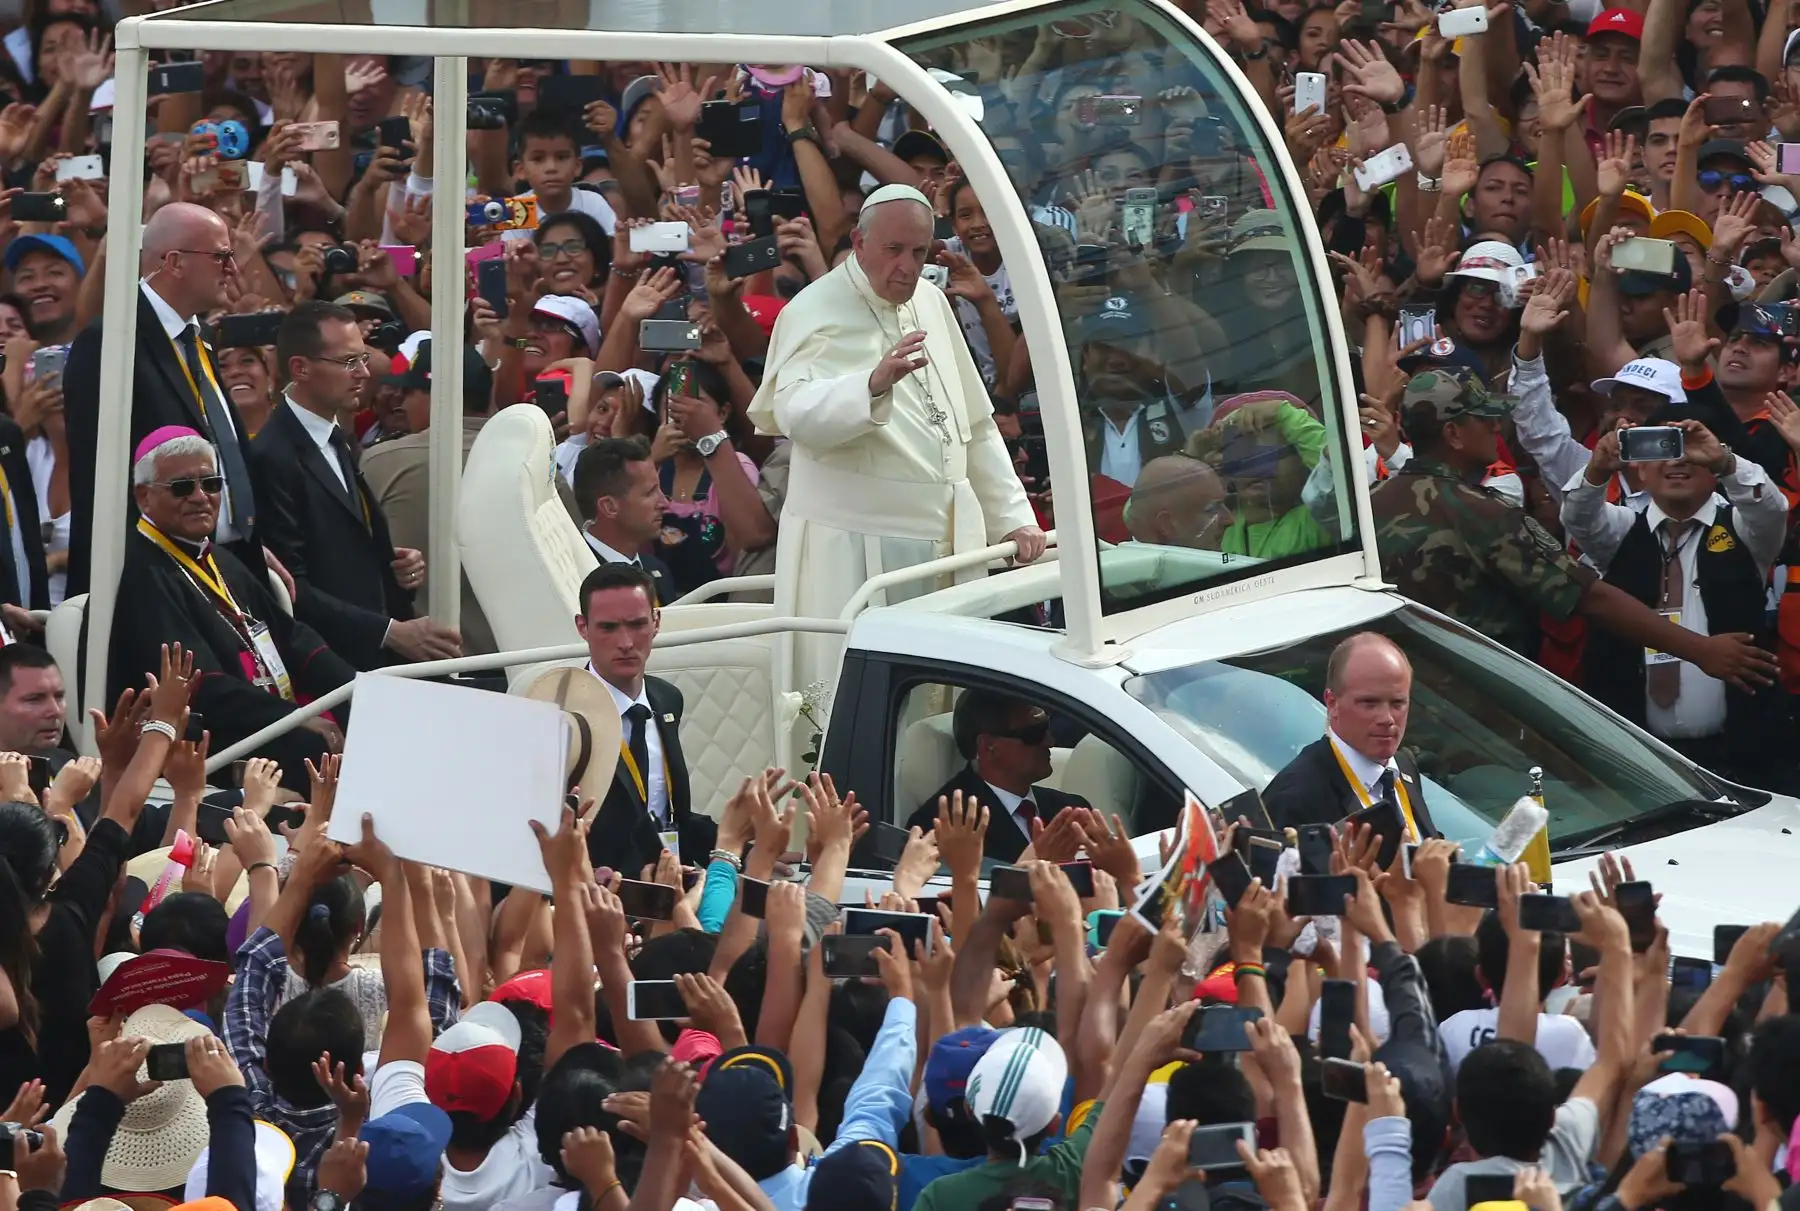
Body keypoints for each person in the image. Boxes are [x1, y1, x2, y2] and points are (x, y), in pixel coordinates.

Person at [748, 184, 1042, 687]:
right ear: (860, 244)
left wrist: (1013, 517)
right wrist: (871, 384)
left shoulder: (931, 300)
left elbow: (971, 423)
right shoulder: (811, 310)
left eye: (918, 252)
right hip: (856, 550)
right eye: (893, 250)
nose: (907, 266)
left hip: (950, 543)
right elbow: (794, 413)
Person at [1372, 367, 1781, 691]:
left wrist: (1725, 461)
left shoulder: (1372, 503)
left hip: (1398, 695)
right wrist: (1700, 650)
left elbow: (1770, 510)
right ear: (1453, 434)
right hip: (1473, 707)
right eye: (1486, 420)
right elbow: (1589, 595)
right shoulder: (1481, 513)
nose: (1498, 429)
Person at [108, 427, 351, 783]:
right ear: (144, 497)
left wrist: (357, 688)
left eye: (211, 483)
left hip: (264, 715)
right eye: (181, 487)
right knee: (318, 754)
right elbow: (201, 687)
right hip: (206, 738)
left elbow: (292, 638)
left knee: (368, 721)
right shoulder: (142, 573)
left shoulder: (220, 559)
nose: (200, 497)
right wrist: (293, 718)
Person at [1561, 417, 1791, 788]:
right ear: (1639, 466)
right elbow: (1578, 518)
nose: (1677, 462)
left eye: (1690, 451)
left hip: (1740, 757)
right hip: (1639, 757)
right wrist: (1597, 468)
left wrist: (1726, 461)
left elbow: (1772, 509)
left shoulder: (1744, 530)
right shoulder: (1622, 530)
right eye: (1663, 448)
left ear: (1714, 467)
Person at [64, 203, 266, 600]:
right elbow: (98, 477)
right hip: (153, 580)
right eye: (221, 256)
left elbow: (223, 450)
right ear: (175, 262)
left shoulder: (201, 338)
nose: (232, 268)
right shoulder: (111, 340)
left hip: (225, 562)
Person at [252, 301, 461, 670]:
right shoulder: (272, 455)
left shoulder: (335, 437)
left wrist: (391, 566)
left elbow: (337, 546)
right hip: (329, 669)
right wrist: (389, 631)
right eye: (349, 362)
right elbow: (288, 586)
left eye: (363, 359)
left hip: (370, 660)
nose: (364, 372)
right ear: (300, 368)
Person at [359, 337, 499, 656]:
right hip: (522, 665)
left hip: (421, 664)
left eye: (410, 393)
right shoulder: (533, 458)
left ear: (440, 395)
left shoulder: (384, 460)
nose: (402, 405)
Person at [573, 561, 713, 875]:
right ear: (583, 627)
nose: (625, 642)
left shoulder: (667, 699)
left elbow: (670, 814)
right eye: (608, 628)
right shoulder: (566, 713)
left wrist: (748, 846)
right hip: (602, 898)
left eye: (637, 624)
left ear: (656, 621)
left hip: (669, 888)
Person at [1261, 632, 1439, 838]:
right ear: (1332, 703)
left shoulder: (1402, 766)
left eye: (1397, 703)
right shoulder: (1295, 797)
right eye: (1369, 703)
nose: (1387, 718)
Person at [902, 691, 1092, 864]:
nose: (1049, 741)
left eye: (1046, 728)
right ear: (988, 747)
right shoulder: (940, 829)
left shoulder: (1071, 811)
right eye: (1034, 734)